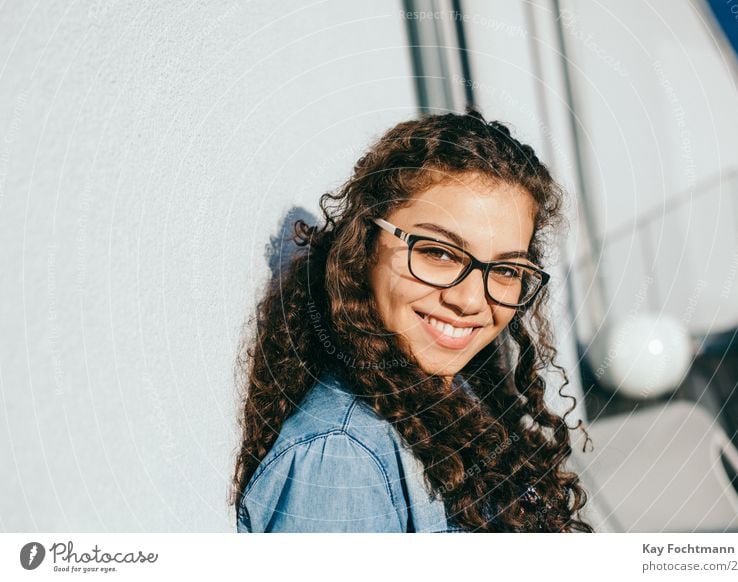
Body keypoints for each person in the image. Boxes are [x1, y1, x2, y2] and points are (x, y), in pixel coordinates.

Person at [231, 108, 593, 533]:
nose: (470, 300)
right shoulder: (343, 460)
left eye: (507, 270)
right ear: (363, 243)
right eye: (438, 252)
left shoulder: (455, 392)